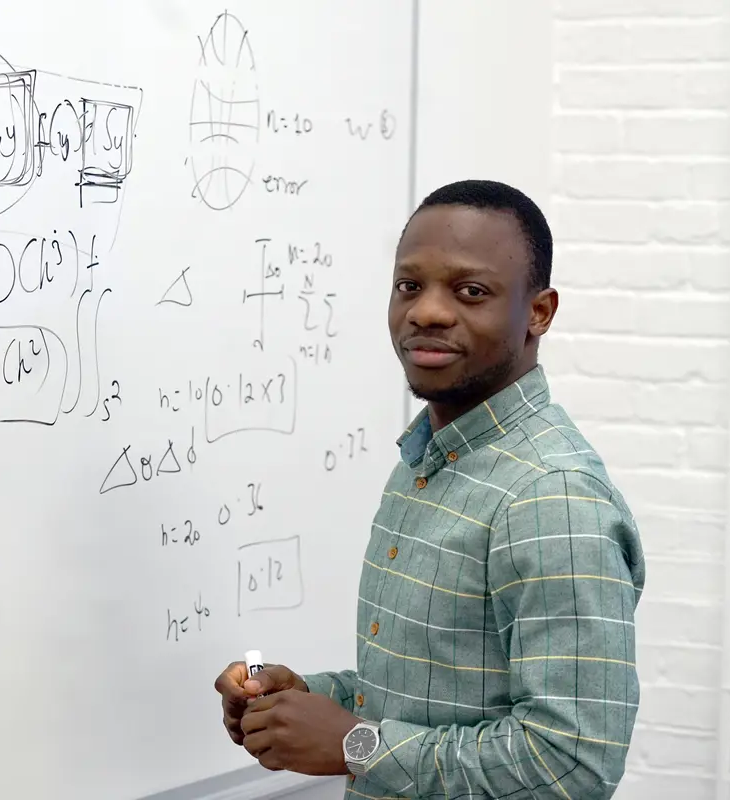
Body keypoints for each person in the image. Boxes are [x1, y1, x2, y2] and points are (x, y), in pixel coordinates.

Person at [214, 179, 645, 798]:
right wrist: (302, 700)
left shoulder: (551, 497)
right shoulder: (430, 459)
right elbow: (429, 693)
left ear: (539, 312)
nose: (427, 311)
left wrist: (353, 743)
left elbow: (571, 763)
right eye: (409, 286)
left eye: (470, 291)